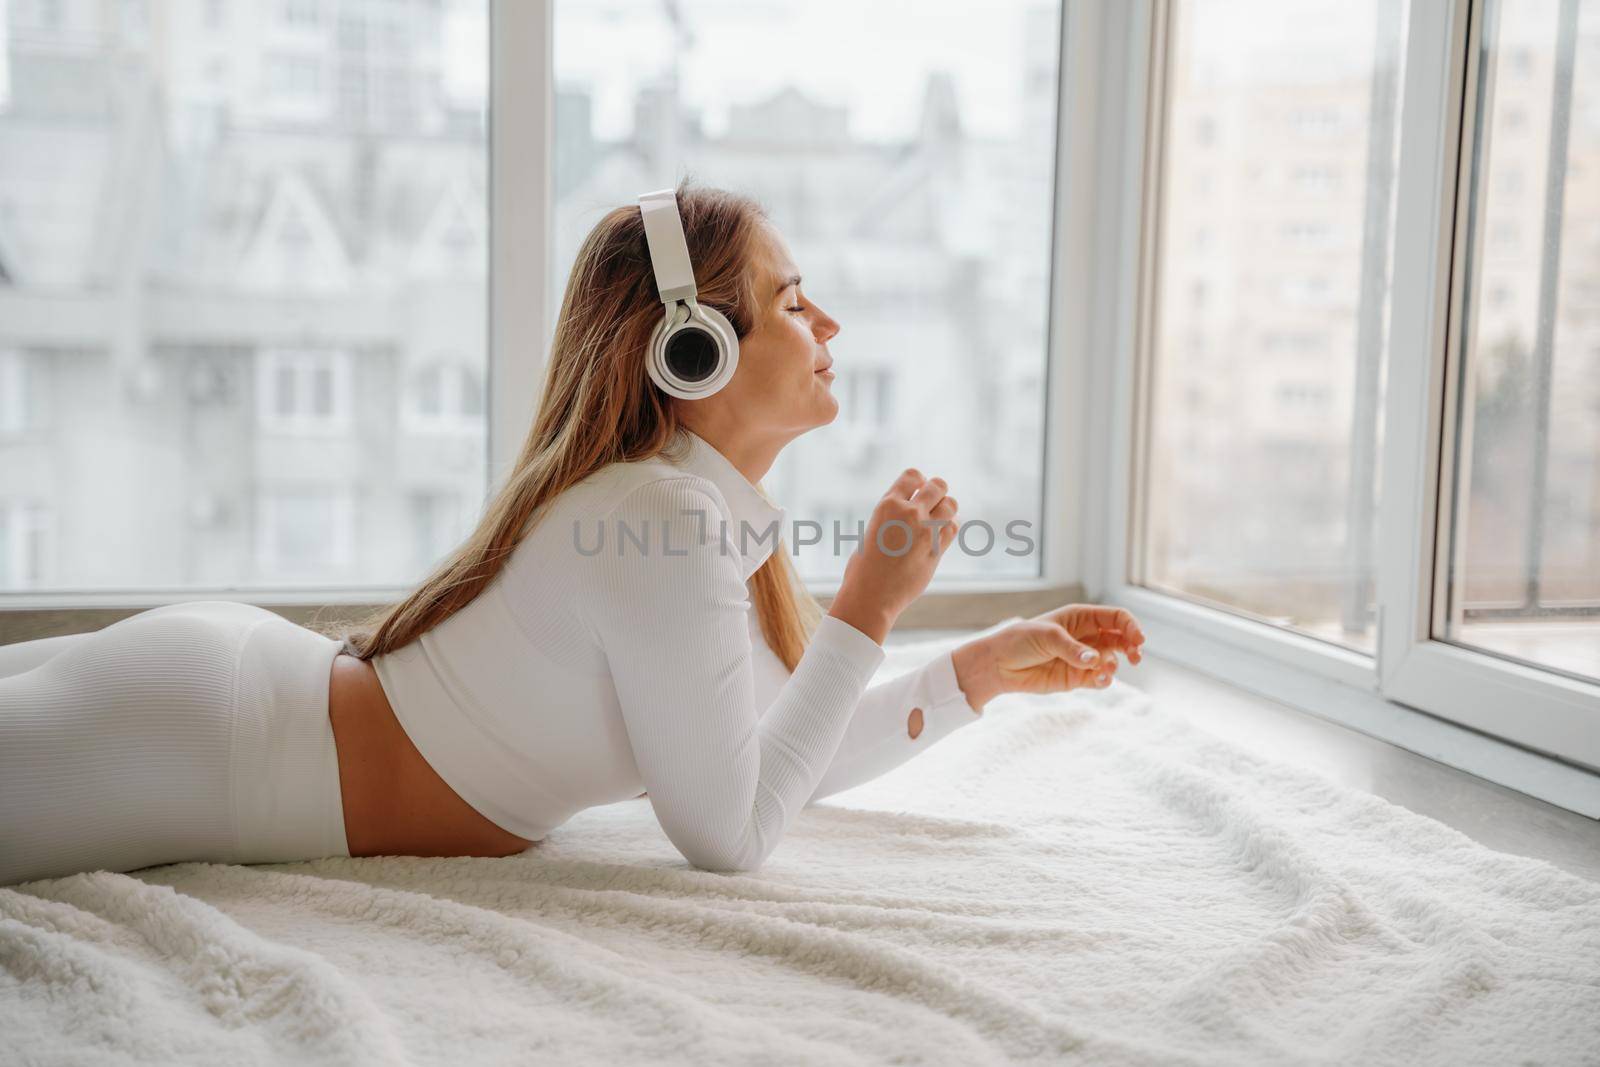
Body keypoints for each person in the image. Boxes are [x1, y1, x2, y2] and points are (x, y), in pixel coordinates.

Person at [0, 181, 1144, 886]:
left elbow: (767, 764)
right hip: (219, 743)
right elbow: (729, 834)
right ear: (690, 349)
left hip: (233, 711)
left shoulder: (688, 525)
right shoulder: (658, 519)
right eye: (794, 299)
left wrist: (980, 667)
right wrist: (866, 607)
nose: (829, 321)